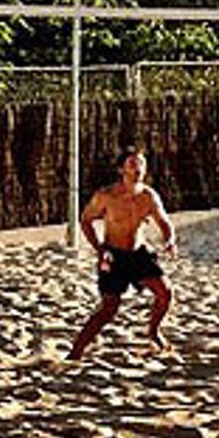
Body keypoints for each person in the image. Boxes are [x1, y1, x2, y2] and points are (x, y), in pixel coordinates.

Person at [71, 145, 177, 360]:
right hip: (114, 255)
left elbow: (165, 222)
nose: (137, 169)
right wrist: (99, 248)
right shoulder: (106, 195)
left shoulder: (148, 196)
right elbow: (86, 220)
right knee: (109, 308)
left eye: (141, 164)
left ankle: (153, 331)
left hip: (138, 253)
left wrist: (170, 240)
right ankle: (75, 353)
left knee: (165, 294)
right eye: (132, 164)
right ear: (121, 170)